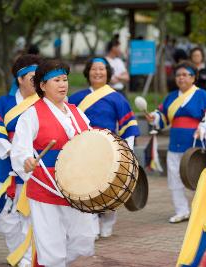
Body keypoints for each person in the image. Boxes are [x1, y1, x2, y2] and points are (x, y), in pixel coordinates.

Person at [10, 59, 96, 266]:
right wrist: (26, 161)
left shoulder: (77, 112)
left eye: (65, 79)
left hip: (76, 187)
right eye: (56, 80)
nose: (62, 84)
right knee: (51, 245)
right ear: (42, 86)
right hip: (45, 187)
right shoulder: (31, 114)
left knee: (84, 239)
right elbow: (20, 150)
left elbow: (91, 140)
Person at [68, 57, 140, 238]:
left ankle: (108, 222)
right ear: (87, 72)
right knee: (86, 188)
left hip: (109, 150)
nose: (98, 72)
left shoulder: (117, 98)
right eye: (94, 69)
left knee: (108, 188)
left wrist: (128, 153)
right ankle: (90, 225)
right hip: (83, 150)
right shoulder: (76, 98)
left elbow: (128, 127)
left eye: (101, 69)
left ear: (108, 73)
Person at [0, 54, 42, 267]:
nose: (37, 81)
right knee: (4, 216)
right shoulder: (4, 103)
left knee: (30, 216)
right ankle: (19, 255)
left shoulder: (44, 104)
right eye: (33, 77)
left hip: (36, 166)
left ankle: (26, 260)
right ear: (20, 79)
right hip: (8, 168)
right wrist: (14, 155)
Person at [145, 61, 206, 223]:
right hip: (175, 143)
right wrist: (154, 118)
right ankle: (181, 210)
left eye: (185, 74)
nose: (181, 78)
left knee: (197, 176)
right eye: (178, 75)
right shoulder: (171, 97)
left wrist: (203, 127)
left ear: (193, 77)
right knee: (174, 177)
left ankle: (200, 210)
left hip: (195, 145)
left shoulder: (202, 95)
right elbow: (163, 118)